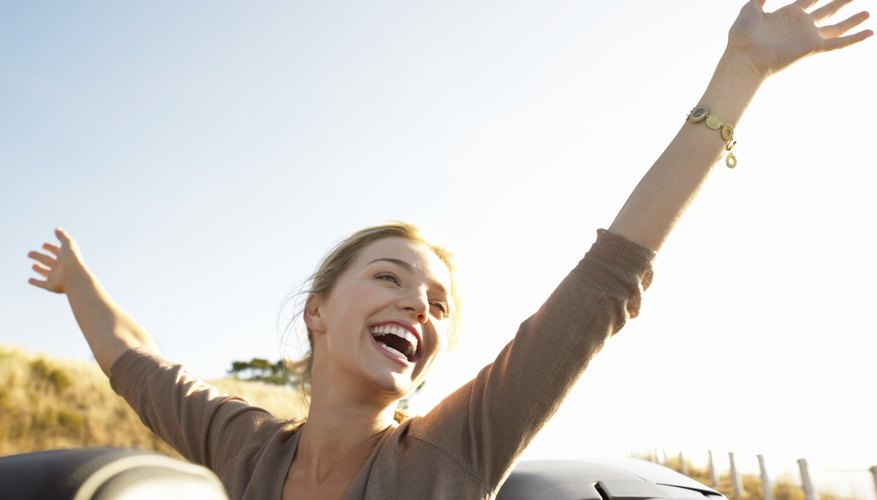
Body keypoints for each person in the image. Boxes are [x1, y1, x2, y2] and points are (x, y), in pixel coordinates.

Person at [26, 1, 871, 499]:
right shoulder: (246, 448)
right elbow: (136, 365)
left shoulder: (449, 451)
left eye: (438, 306)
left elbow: (607, 279)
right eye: (390, 277)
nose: (417, 307)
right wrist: (77, 284)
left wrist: (739, 75)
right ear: (317, 311)